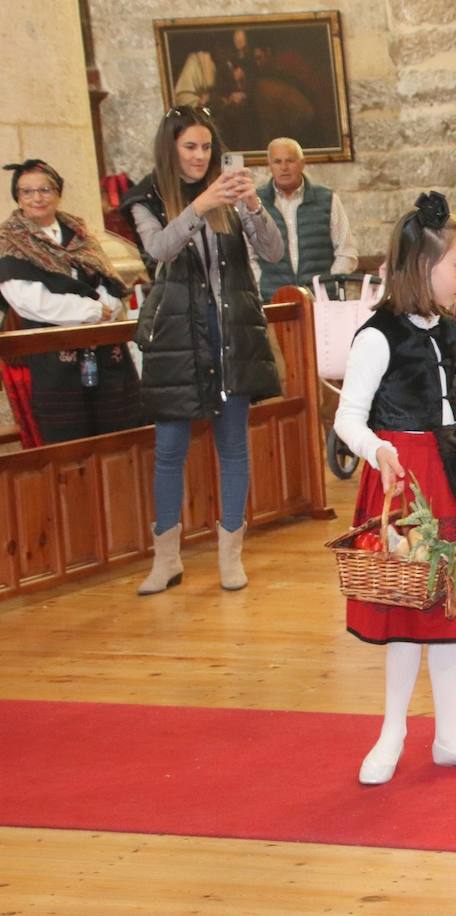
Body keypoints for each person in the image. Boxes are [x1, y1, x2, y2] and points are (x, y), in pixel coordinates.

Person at [333, 192, 456, 785]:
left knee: (449, 609)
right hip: (403, 479)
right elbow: (347, 419)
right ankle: (391, 732)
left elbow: (455, 410)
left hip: (446, 468)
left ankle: (450, 734)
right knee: (408, 608)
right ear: (423, 267)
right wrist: (377, 449)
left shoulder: (448, 329)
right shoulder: (377, 336)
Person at [121, 106, 284, 594]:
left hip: (229, 331)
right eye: (190, 147)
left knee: (233, 446)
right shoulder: (146, 197)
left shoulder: (230, 194)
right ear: (171, 149)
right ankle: (165, 559)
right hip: (175, 337)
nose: (199, 156)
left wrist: (253, 205)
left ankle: (230, 556)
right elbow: (159, 251)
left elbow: (274, 253)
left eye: (206, 147)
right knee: (169, 450)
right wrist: (199, 206)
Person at [0, 159, 142, 443]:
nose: (37, 197)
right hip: (56, 362)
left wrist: (110, 307)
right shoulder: (9, 241)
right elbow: (31, 301)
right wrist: (92, 311)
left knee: (120, 440)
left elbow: (108, 279)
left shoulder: (79, 232)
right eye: (27, 191)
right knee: (71, 447)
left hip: (106, 356)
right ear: (18, 197)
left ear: (58, 193)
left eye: (45, 189)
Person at [254, 137, 358, 303]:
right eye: (277, 161)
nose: (284, 167)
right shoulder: (255, 202)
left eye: (290, 161)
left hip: (322, 303)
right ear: (269, 165)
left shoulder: (327, 199)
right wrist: (261, 288)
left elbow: (346, 251)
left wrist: (327, 288)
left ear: (302, 163)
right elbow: (248, 255)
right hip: (274, 302)